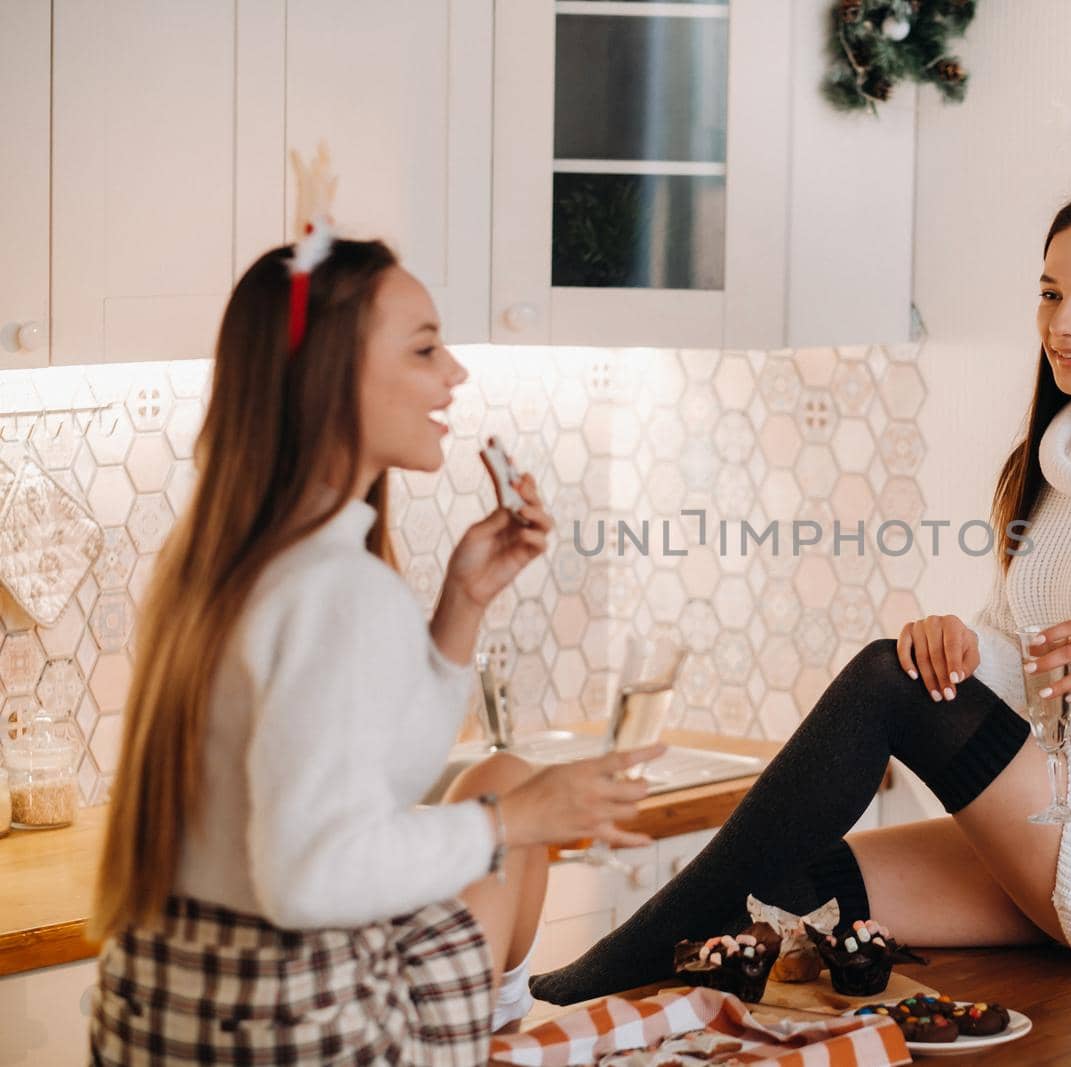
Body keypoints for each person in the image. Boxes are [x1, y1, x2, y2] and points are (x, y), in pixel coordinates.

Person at [531, 187, 1071, 1004]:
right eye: (1050, 294)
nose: (1063, 324)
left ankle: (582, 983)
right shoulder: (1055, 472)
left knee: (888, 678)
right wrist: (973, 651)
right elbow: (1022, 659)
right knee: (793, 875)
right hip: (1059, 839)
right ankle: (595, 1006)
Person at [88, 231, 664, 1064]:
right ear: (330, 378)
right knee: (509, 803)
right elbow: (310, 875)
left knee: (500, 783)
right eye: (426, 348)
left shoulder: (218, 564)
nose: (455, 374)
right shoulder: (337, 590)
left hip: (163, 1012)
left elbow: (388, 763)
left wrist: (461, 603)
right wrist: (519, 819)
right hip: (301, 1032)